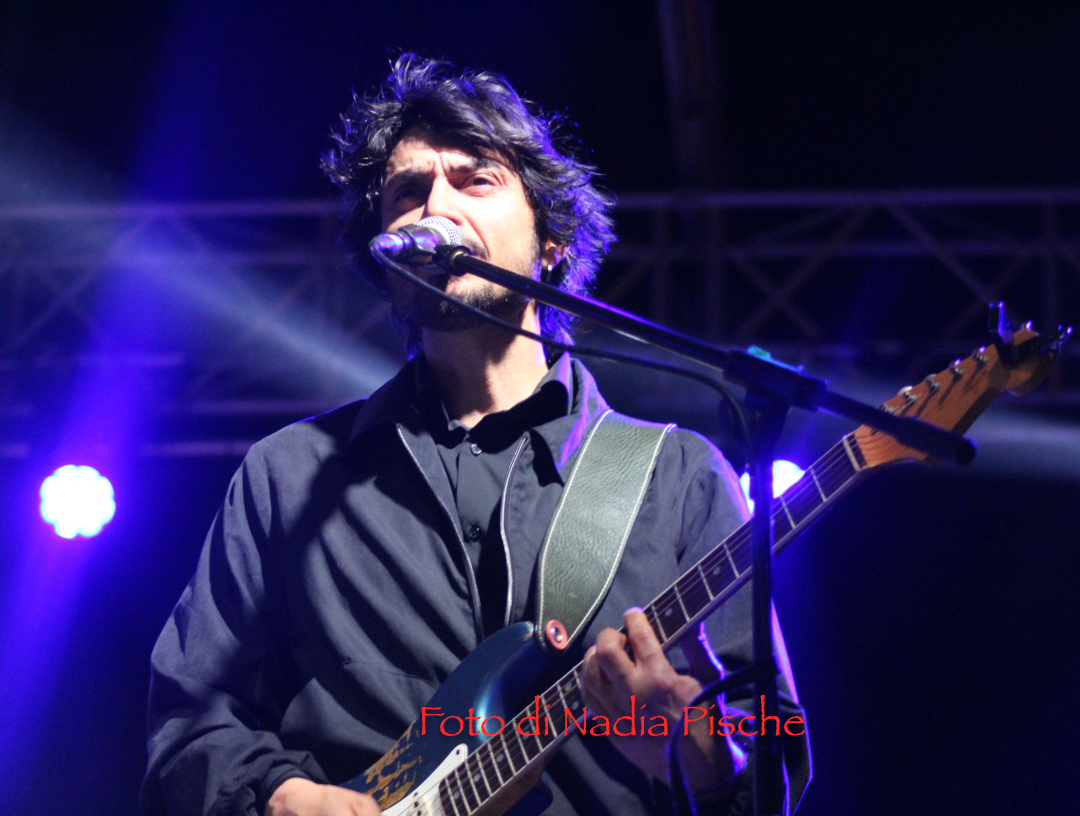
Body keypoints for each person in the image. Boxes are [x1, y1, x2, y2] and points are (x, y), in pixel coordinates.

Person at [141, 54, 810, 816]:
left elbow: (773, 760)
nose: (435, 207)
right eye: (408, 192)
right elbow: (187, 732)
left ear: (552, 239)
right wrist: (280, 796)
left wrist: (691, 749)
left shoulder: (677, 477)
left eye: (475, 179)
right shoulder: (289, 477)